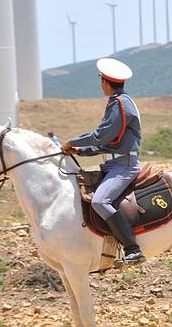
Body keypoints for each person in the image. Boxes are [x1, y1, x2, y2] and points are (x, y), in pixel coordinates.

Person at [61, 58, 145, 266]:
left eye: (101, 82)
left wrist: (73, 141)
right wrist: (81, 150)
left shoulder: (120, 104)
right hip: (113, 164)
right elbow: (106, 143)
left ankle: (132, 249)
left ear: (105, 83)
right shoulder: (118, 102)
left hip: (123, 165)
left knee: (100, 201)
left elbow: (102, 136)